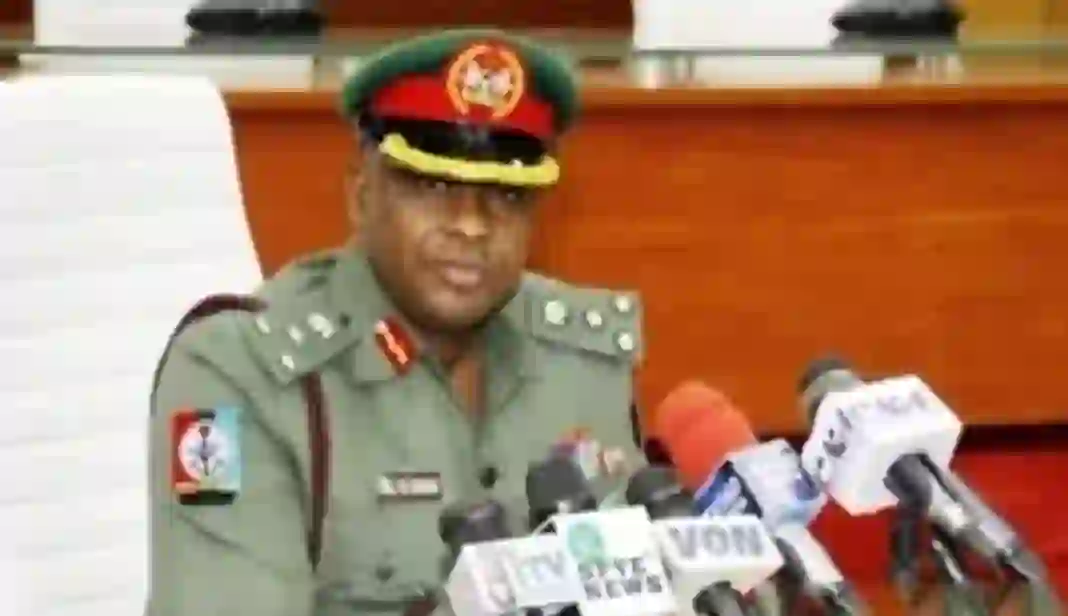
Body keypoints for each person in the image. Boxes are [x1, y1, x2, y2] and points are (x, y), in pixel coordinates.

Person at [146, 29, 781, 616]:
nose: (472, 225)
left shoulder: (583, 361)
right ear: (360, 192)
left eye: (507, 195)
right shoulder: (241, 376)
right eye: (432, 187)